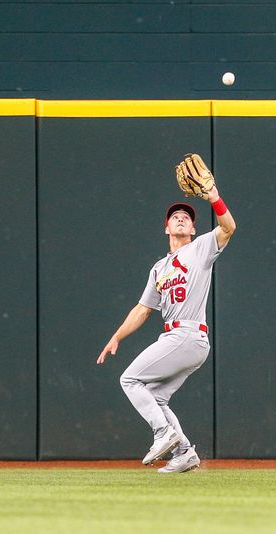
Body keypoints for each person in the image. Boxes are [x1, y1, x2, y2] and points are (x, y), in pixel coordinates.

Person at [97, 184, 236, 473]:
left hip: (187, 333)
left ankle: (162, 434)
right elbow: (143, 309)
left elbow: (228, 227)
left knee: (130, 380)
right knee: (157, 397)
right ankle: (185, 452)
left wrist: (213, 197)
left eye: (186, 216)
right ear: (166, 229)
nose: (181, 218)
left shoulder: (200, 249)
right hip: (182, 338)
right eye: (176, 216)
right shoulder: (159, 268)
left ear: (194, 230)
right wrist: (117, 336)